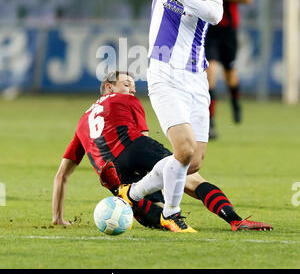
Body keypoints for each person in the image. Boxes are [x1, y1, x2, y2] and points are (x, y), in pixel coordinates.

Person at [52, 71, 272, 232]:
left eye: (133, 86)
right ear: (109, 88)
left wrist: (57, 218)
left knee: (154, 217)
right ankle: (234, 219)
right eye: (127, 83)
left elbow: (62, 174)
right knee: (190, 179)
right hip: (136, 147)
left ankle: (141, 203)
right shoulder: (126, 100)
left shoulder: (82, 122)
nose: (132, 89)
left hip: (113, 173)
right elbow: (144, 138)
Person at [140, 0, 223, 230]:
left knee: (192, 162)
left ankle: (135, 191)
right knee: (184, 150)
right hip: (163, 72)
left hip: (195, 79)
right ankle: (171, 213)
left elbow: (214, 15)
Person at [204, 0, 254, 139]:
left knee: (230, 73)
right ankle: (210, 123)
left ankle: (235, 102)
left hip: (228, 30)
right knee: (209, 72)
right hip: (208, 30)